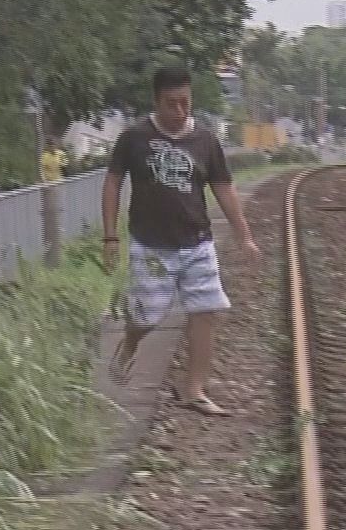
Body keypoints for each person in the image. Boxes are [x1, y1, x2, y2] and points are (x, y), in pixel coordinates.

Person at [102, 66, 261, 415]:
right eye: (171, 103)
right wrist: (110, 236)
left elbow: (224, 188)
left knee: (206, 311)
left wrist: (244, 235)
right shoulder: (134, 138)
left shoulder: (205, 141)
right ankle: (129, 344)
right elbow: (112, 182)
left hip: (197, 242)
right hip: (150, 245)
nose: (179, 111)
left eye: (185, 103)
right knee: (147, 316)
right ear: (156, 101)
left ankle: (194, 390)